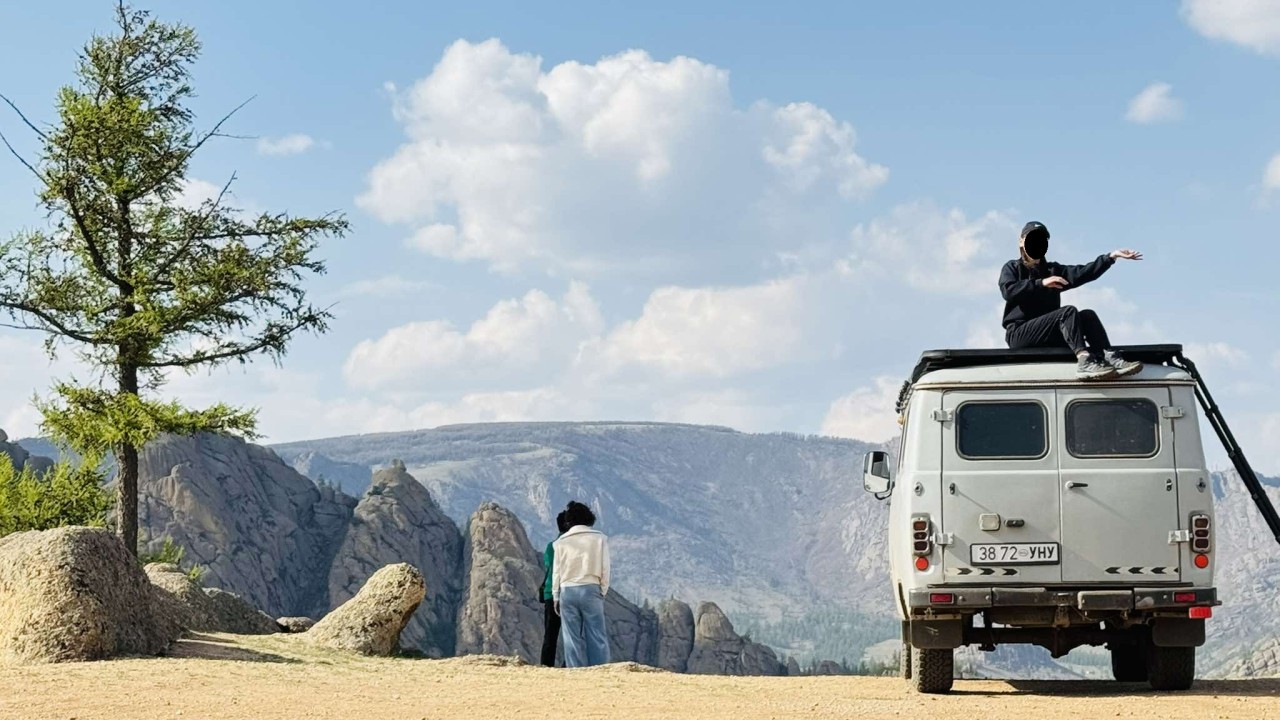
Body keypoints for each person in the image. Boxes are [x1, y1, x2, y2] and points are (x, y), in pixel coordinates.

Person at [999, 220, 1144, 380]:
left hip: (1049, 334)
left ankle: (1109, 357)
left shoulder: (1053, 270)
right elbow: (1008, 290)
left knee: (1087, 315)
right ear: (1022, 241)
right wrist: (1041, 283)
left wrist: (1110, 257)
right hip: (1020, 334)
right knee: (1067, 312)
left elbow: (1082, 272)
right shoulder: (1012, 268)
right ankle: (1084, 360)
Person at [552, 500, 611, 668]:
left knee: (571, 636)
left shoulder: (561, 542)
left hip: (567, 590)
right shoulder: (599, 539)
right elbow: (605, 568)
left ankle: (575, 671)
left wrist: (556, 595)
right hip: (591, 588)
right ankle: (600, 669)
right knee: (596, 633)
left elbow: (557, 571)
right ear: (589, 518)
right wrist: (602, 590)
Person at [540, 511, 571, 667]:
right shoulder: (572, 546)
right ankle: (568, 665)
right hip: (568, 593)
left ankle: (546, 666)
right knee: (571, 634)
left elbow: (548, 564)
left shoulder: (550, 546)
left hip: (549, 594)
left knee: (550, 635)